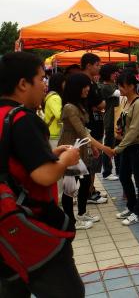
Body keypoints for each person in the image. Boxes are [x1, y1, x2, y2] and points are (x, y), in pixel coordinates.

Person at [0, 53, 84, 297]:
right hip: (31, 226)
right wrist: (66, 159)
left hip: (5, 225)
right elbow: (45, 176)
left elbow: (11, 160)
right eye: (40, 78)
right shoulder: (23, 119)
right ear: (23, 84)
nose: (44, 85)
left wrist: (49, 154)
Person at [58, 73, 115, 230]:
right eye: (85, 86)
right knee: (70, 188)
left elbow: (84, 131)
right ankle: (71, 222)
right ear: (76, 88)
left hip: (80, 148)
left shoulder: (79, 105)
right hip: (70, 150)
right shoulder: (70, 107)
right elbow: (83, 133)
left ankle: (82, 213)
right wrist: (104, 149)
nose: (88, 89)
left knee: (84, 183)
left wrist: (93, 148)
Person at [114, 72, 139, 225]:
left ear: (131, 86)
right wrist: (119, 128)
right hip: (128, 145)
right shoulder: (126, 101)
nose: (119, 89)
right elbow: (124, 122)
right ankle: (131, 206)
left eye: (121, 86)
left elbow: (135, 129)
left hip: (138, 146)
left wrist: (118, 148)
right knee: (124, 176)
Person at [80, 53, 107, 204]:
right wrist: (99, 104)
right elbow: (100, 104)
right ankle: (88, 192)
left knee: (93, 162)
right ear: (88, 65)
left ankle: (91, 189)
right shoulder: (85, 83)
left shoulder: (91, 82)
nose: (99, 68)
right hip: (89, 128)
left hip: (95, 126)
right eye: (97, 65)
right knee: (90, 161)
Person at [99, 63, 120, 181]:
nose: (115, 74)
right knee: (109, 145)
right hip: (110, 119)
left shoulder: (113, 85)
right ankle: (107, 172)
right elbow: (119, 93)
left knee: (115, 144)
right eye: (113, 72)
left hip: (116, 118)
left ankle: (116, 169)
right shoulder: (105, 87)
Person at [44, 72, 65, 148]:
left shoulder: (51, 96)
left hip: (52, 133)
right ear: (59, 83)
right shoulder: (55, 97)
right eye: (64, 82)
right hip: (54, 134)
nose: (65, 85)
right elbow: (59, 116)